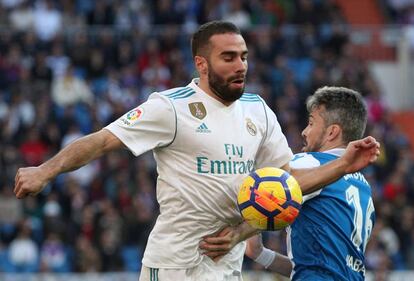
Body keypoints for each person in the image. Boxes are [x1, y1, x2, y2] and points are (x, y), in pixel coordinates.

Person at [14, 21, 379, 281]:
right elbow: (103, 140)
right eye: (229, 58)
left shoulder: (258, 110)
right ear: (201, 64)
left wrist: (343, 164)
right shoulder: (170, 107)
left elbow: (290, 182)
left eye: (244, 57)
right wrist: (45, 170)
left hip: (227, 266)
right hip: (175, 265)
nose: (241, 66)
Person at [243, 86, 375, 280]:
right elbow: (317, 267)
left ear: (332, 132)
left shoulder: (310, 163)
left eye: (311, 123)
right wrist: (260, 254)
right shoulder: (364, 187)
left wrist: (235, 233)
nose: (305, 131)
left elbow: (262, 190)